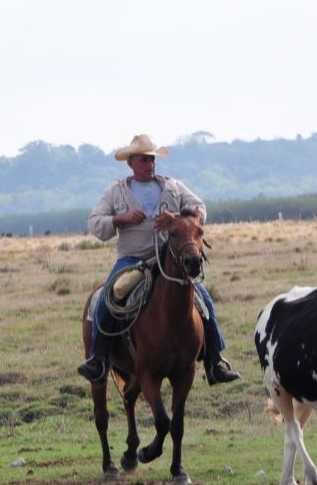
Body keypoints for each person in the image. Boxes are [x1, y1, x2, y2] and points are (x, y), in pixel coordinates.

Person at [77, 134, 241, 387]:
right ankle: (98, 359)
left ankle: (214, 360)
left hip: (169, 260)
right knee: (107, 298)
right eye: (144, 160)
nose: (150, 165)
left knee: (204, 300)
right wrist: (121, 219)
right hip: (131, 259)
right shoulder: (116, 192)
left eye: (152, 160)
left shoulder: (173, 186)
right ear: (131, 162)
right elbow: (95, 223)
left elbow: (199, 209)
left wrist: (175, 218)